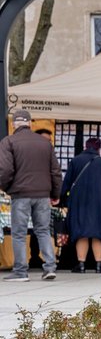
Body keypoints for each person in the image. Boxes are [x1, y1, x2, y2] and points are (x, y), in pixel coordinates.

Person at [0, 109, 62, 281]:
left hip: (20, 194)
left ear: (14, 124)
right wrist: (55, 193)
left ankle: (20, 271)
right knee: (43, 230)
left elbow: (4, 170)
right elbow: (55, 171)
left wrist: (6, 188)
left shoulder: (8, 142)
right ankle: (50, 267)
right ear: (29, 123)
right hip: (42, 194)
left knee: (19, 233)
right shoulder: (45, 143)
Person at [60, 137, 101, 273]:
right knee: (98, 233)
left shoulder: (75, 161)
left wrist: (62, 198)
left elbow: (66, 184)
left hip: (78, 203)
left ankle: (81, 265)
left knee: (81, 232)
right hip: (100, 204)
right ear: (99, 148)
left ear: (85, 146)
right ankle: (99, 265)